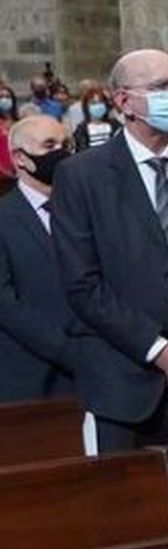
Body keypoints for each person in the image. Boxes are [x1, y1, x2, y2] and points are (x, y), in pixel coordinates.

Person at [52, 48, 168, 451]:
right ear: (124, 101)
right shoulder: (82, 176)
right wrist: (164, 354)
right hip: (127, 385)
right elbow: (83, 285)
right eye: (161, 86)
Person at [0, 116, 78, 401]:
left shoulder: (86, 209)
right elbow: (6, 304)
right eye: (49, 145)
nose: (61, 152)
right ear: (20, 158)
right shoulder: (4, 218)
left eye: (66, 145)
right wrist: (69, 351)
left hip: (103, 374)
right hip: (35, 380)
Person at [72, 82, 120, 150]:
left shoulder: (115, 125)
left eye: (100, 102)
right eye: (93, 103)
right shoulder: (82, 129)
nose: (98, 106)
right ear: (86, 106)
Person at [0, 83, 16, 183]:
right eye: (1, 97)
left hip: (19, 172)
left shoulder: (19, 120)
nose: (4, 100)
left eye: (7, 96)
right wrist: (4, 171)